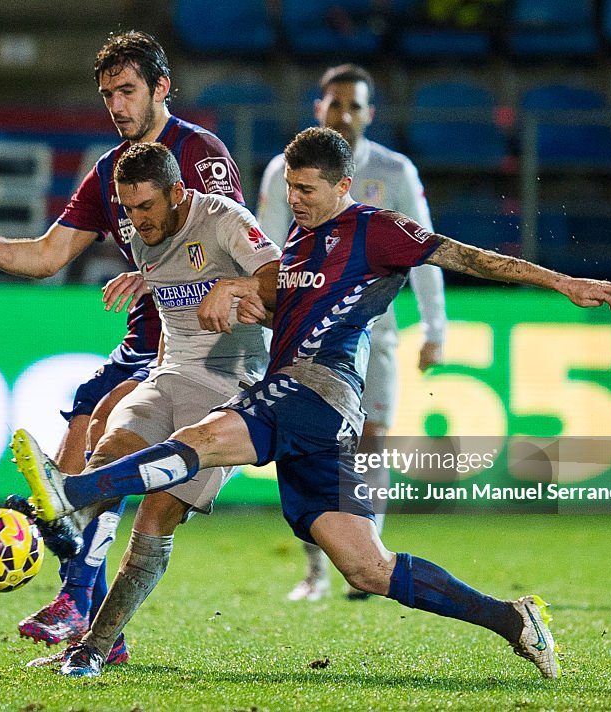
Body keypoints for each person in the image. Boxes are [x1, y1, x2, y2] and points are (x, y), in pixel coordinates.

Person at [12, 127, 611, 679]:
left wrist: (561, 281)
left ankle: (73, 494)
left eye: (307, 188)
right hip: (311, 413)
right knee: (366, 568)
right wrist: (244, 297)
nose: (296, 198)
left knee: (203, 441)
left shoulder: (376, 229)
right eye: (290, 185)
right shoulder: (300, 243)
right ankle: (515, 620)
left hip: (317, 389)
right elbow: (281, 300)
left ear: (343, 185)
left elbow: (468, 257)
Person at [0, 30, 244, 660]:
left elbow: (232, 246)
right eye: (107, 96)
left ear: (161, 89)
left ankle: (79, 596)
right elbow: (48, 253)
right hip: (151, 337)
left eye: (128, 91)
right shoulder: (109, 174)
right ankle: (92, 609)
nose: (117, 107)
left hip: (207, 349)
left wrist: (154, 273)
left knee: (101, 431)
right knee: (90, 426)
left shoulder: (199, 152)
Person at [21, 141, 279, 669]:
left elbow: (283, 278)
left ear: (178, 193)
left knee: (157, 510)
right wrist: (147, 382)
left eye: (145, 208)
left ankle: (95, 645)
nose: (135, 221)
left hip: (231, 388)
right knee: (111, 453)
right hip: (171, 372)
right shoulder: (144, 240)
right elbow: (169, 310)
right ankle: (63, 532)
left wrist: (233, 286)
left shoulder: (225, 219)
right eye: (127, 209)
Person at [258, 63, 445, 602]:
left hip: (376, 330)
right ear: (318, 109)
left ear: (370, 114)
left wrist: (435, 326)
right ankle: (316, 570)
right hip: (304, 335)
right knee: (308, 445)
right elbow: (265, 250)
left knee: (372, 438)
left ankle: (370, 559)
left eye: (354, 105)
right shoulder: (283, 171)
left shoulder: (396, 171)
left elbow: (427, 252)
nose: (344, 114)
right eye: (334, 104)